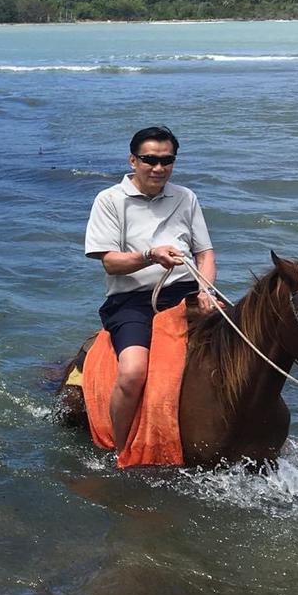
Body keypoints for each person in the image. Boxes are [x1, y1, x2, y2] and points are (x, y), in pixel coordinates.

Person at [84, 124, 218, 448]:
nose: (159, 168)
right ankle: (120, 450)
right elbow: (109, 262)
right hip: (131, 299)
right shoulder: (110, 200)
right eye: (150, 159)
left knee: (245, 348)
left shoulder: (186, 198)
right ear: (133, 160)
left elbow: (205, 253)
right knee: (132, 372)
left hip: (186, 292)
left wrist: (206, 290)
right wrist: (150, 255)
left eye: (167, 160)